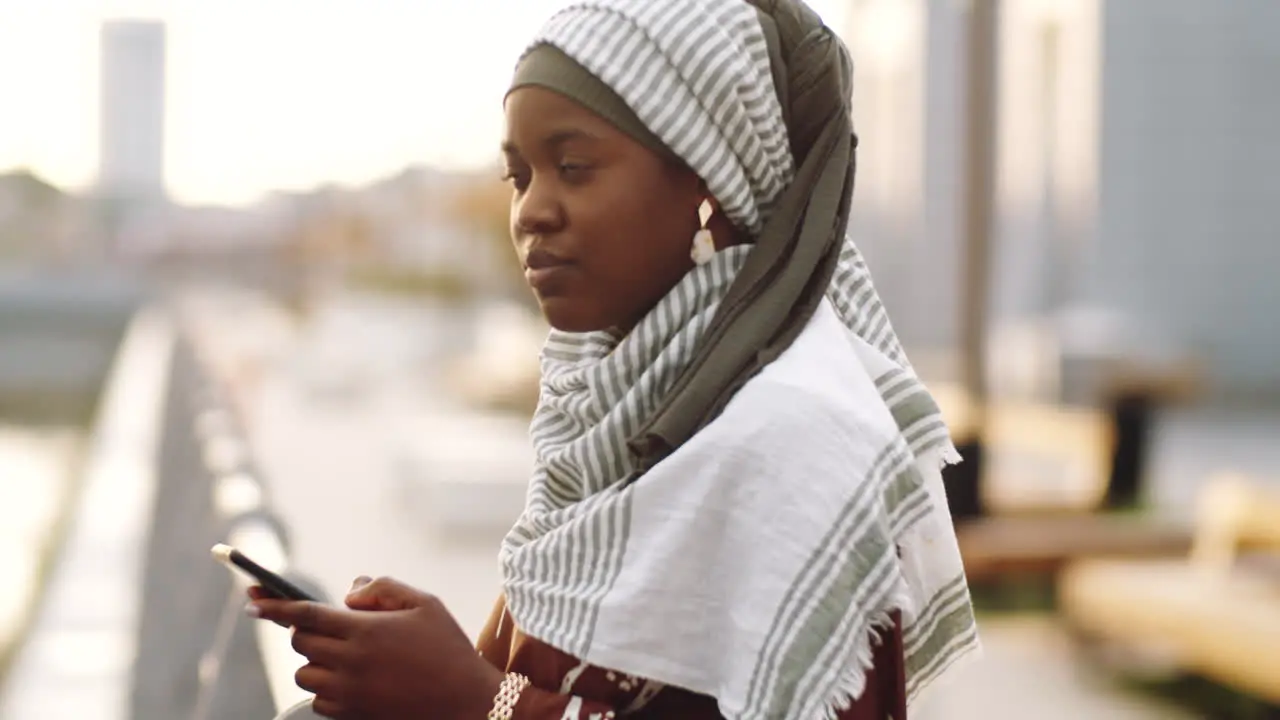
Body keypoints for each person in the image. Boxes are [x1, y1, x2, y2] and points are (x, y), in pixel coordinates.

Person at [249, 0, 980, 718]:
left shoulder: (797, 439)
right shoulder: (617, 413)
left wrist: (475, 699)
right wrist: (405, 664)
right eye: (520, 176)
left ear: (709, 181)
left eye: (572, 166)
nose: (531, 210)